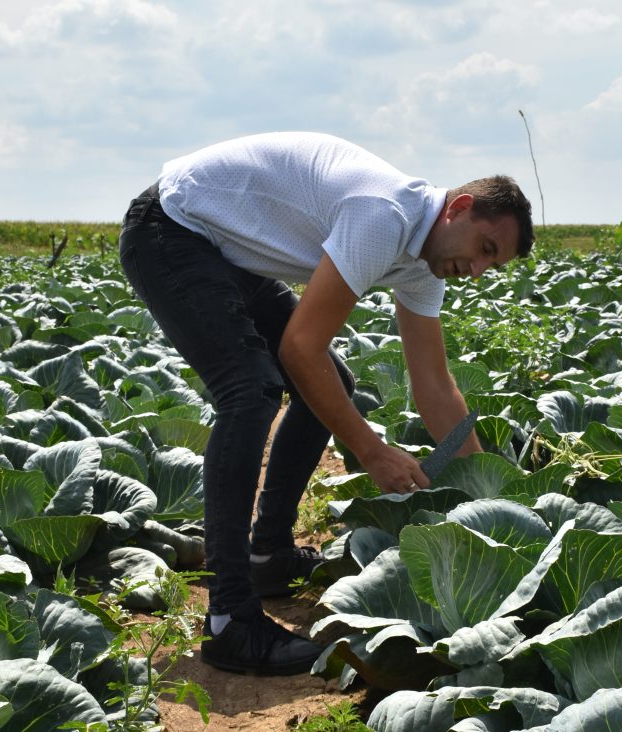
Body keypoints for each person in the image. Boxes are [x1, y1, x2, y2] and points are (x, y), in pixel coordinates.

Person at [118, 131, 535, 676]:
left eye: (491, 265)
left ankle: (267, 555)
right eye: (484, 249)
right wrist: (373, 451)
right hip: (172, 226)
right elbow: (299, 346)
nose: (477, 271)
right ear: (458, 209)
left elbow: (434, 386)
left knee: (330, 380)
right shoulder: (384, 215)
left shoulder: (425, 261)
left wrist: (487, 493)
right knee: (250, 392)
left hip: (225, 249)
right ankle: (229, 621)